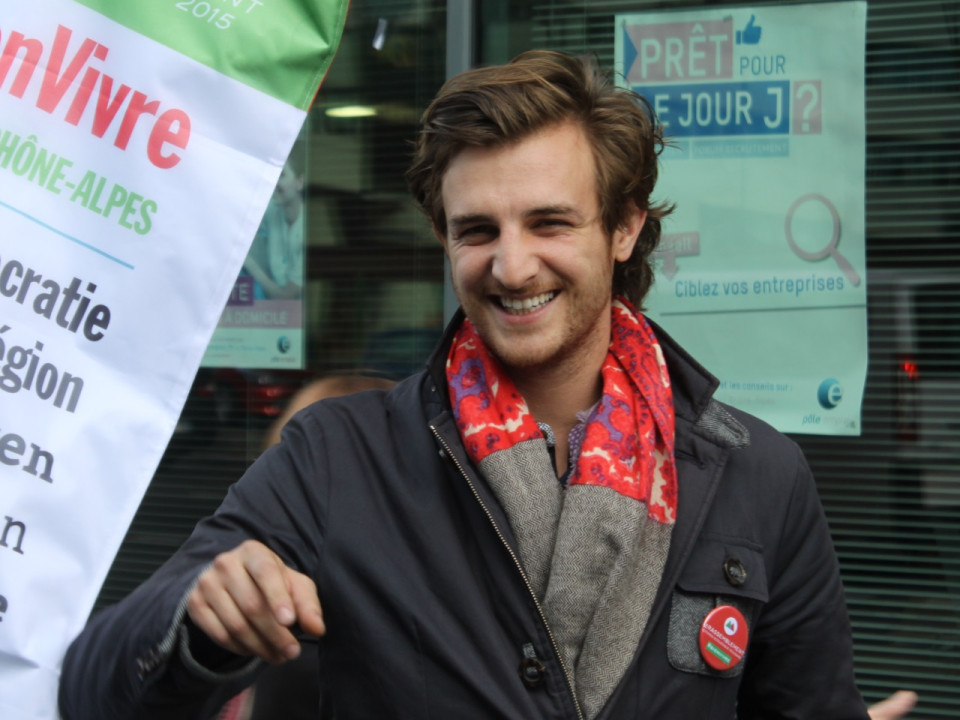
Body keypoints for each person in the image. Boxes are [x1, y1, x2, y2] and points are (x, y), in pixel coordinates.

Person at [60, 50, 878, 719]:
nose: (511, 265)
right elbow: (93, 687)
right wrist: (202, 623)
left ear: (625, 226)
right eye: (477, 231)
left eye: (550, 222)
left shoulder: (758, 477)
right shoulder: (337, 457)